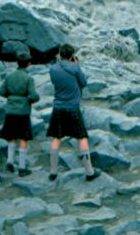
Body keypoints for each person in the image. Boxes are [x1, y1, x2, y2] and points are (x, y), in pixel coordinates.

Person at [46, 43, 100, 181]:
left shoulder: (53, 69)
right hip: (73, 107)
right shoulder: (75, 68)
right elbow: (83, 83)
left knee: (56, 137)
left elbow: (54, 82)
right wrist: (76, 66)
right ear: (71, 55)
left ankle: (53, 171)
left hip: (58, 107)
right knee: (82, 137)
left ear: (59, 54)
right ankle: (89, 172)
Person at [0, 43, 39, 176]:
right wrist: (29, 100)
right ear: (29, 64)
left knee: (11, 137)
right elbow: (34, 96)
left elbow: (1, 91)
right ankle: (21, 167)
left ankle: (9, 162)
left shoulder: (9, 76)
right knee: (23, 138)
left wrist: (11, 97)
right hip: (23, 112)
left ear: (17, 62)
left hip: (10, 111)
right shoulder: (28, 78)